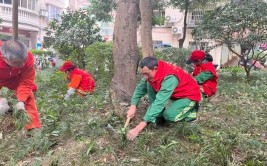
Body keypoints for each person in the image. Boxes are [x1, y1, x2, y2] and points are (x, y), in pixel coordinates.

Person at [126, 56, 201, 140]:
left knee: (169, 116)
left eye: (147, 74)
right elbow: (140, 89)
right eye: (143, 74)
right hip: (176, 95)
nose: (145, 77)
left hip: (190, 95)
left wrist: (138, 128)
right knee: (148, 83)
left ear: (155, 68)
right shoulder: (152, 73)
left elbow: (159, 102)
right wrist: (133, 106)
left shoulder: (170, 77)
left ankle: (191, 113)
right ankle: (158, 115)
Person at [0, 39, 41, 130]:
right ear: (4, 58)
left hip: (13, 78)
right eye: (17, 62)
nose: (22, 65)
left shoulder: (28, 59)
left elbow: (26, 81)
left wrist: (21, 101)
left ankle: (32, 128)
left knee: (28, 96)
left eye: (24, 60)